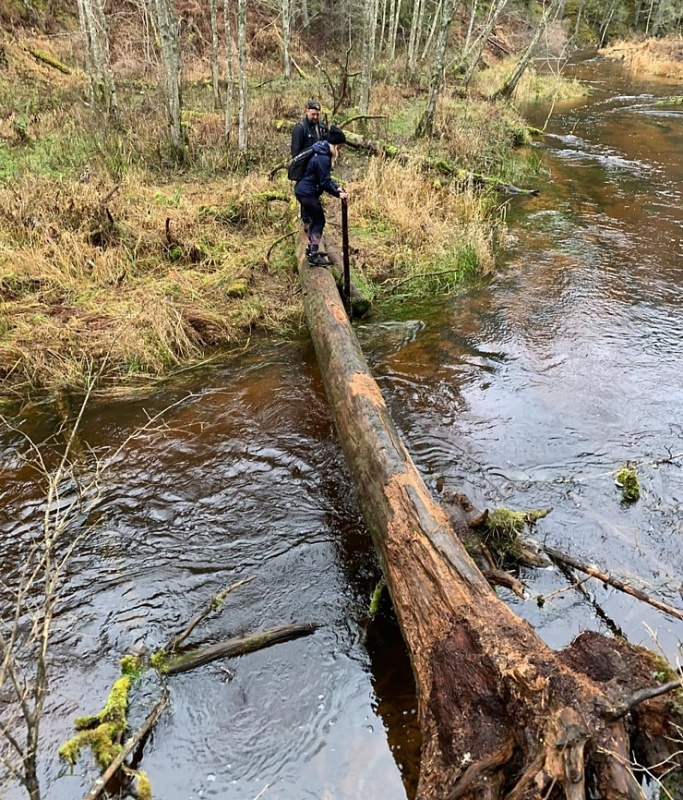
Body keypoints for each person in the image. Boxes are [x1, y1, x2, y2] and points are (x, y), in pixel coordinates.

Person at [294, 125, 349, 267]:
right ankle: (313, 254)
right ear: (336, 145)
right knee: (319, 221)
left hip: (305, 191)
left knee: (315, 220)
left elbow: (325, 178)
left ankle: (311, 249)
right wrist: (338, 194)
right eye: (340, 146)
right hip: (307, 193)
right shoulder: (323, 158)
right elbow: (324, 182)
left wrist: (337, 186)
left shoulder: (321, 150)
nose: (341, 150)